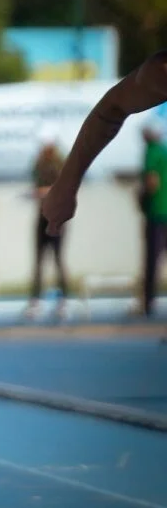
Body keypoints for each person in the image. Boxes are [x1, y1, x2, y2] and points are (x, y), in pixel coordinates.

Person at [42, 51, 167, 256]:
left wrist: (66, 185)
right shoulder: (160, 73)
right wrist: (65, 186)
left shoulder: (154, 152)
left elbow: (112, 107)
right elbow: (113, 107)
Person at [24, 130, 69, 321]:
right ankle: (35, 300)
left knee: (58, 260)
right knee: (38, 261)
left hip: (57, 218)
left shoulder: (61, 163)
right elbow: (37, 186)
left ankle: (63, 301)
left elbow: (63, 187)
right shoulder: (38, 163)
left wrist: (42, 192)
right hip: (42, 215)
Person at [136, 120, 167, 316]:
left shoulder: (151, 152)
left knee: (152, 260)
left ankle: (148, 303)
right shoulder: (164, 151)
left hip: (156, 213)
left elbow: (152, 181)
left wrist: (141, 198)